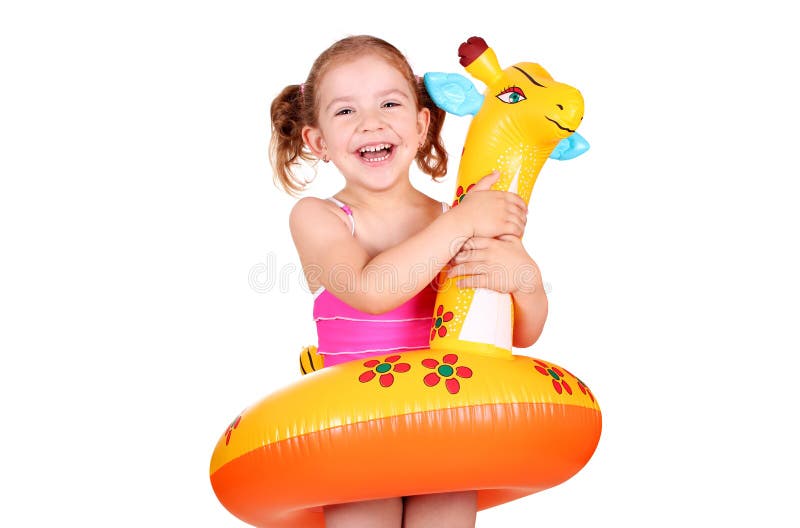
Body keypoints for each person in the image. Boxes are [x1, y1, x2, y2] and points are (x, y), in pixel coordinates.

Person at [270, 35, 548, 528]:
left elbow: (517, 332)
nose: (370, 122)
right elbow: (371, 290)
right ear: (318, 142)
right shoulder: (318, 217)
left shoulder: (455, 214)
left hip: (446, 421)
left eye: (390, 103)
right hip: (355, 426)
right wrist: (463, 223)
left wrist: (524, 278)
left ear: (421, 125)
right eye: (345, 112)